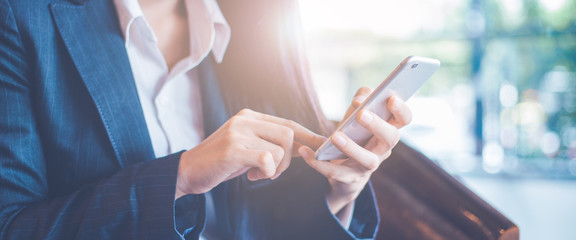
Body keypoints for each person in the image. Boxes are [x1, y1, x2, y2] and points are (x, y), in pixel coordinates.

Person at [0, 0, 412, 239]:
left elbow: (269, 223)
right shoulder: (21, 19)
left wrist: (339, 195)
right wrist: (180, 177)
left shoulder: (258, 22)